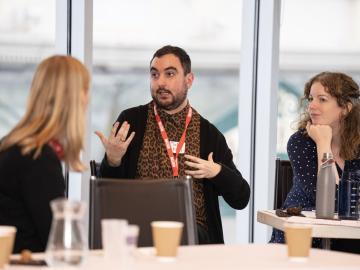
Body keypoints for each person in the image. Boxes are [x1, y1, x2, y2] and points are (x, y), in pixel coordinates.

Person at [95, 45, 250, 244]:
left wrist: (217, 172)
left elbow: (241, 199)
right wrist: (113, 160)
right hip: (140, 228)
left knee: (183, 236)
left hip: (194, 235)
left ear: (189, 80)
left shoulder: (210, 135)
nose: (160, 82)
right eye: (154, 74)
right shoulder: (131, 122)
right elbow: (107, 196)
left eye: (169, 74)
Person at [0, 55, 90, 253]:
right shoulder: (38, 158)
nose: (87, 99)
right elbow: (58, 242)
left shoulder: (13, 145)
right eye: (85, 90)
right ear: (71, 98)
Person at [270, 71, 360, 253]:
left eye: (322, 99)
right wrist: (323, 144)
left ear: (346, 107)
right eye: (310, 99)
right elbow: (328, 203)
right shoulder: (300, 141)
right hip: (302, 238)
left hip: (349, 240)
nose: (312, 106)